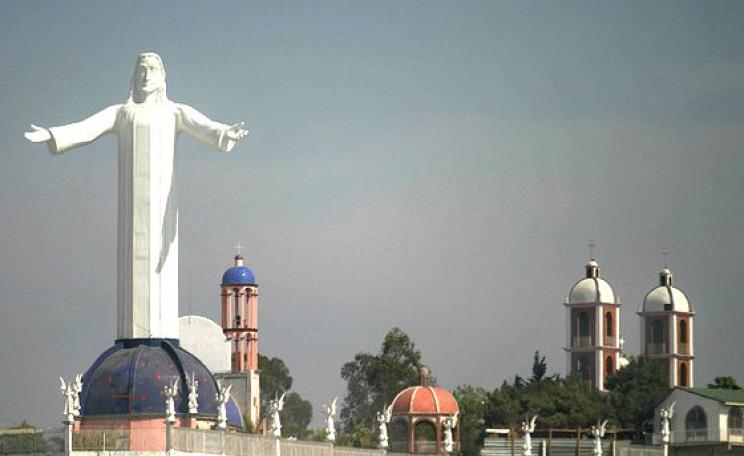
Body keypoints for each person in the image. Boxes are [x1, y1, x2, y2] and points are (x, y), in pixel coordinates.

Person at [25, 52, 248, 340]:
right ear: (134, 76)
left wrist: (226, 133)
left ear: (161, 77)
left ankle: (160, 334)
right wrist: (53, 135)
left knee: (161, 267)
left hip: (164, 213)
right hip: (131, 211)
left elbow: (203, 126)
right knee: (133, 266)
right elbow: (87, 128)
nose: (146, 76)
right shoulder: (123, 113)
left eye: (152, 70)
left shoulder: (174, 112)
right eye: (141, 70)